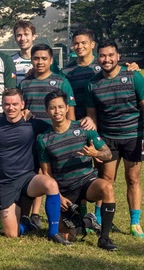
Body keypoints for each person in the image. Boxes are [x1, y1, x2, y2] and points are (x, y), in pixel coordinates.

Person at [82, 40, 144, 239]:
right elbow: (92, 117)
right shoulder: (93, 83)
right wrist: (95, 145)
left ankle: (135, 222)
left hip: (133, 137)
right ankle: (97, 219)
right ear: (98, 58)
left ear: (118, 56)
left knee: (133, 179)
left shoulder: (133, 77)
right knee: (105, 181)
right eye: (103, 56)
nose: (107, 59)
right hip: (108, 139)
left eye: (111, 55)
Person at [0, 88, 69, 244]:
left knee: (50, 184)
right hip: (6, 183)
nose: (11, 108)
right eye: (7, 104)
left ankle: (53, 233)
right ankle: (26, 224)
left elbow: (58, 127)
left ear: (22, 104)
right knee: (12, 234)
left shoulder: (33, 124)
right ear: (2, 105)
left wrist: (84, 122)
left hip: (27, 179)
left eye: (15, 104)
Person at [37, 91, 118, 250]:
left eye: (61, 107)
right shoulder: (43, 140)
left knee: (107, 188)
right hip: (65, 189)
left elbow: (108, 154)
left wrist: (96, 153)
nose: (57, 111)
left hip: (87, 182)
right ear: (46, 111)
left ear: (67, 108)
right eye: (53, 108)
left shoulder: (83, 128)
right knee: (69, 236)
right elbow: (47, 174)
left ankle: (104, 238)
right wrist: (58, 197)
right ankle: (88, 221)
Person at [20, 44, 75, 125]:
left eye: (44, 58)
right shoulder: (23, 84)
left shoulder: (62, 82)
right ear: (31, 60)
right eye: (36, 59)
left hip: (53, 133)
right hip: (29, 131)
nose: (40, 62)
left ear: (51, 60)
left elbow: (70, 111)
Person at [12, 19, 38, 84]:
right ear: (15, 38)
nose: (22, 38)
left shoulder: (44, 60)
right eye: (19, 35)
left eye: (26, 34)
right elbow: (11, 82)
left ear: (34, 36)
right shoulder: (11, 61)